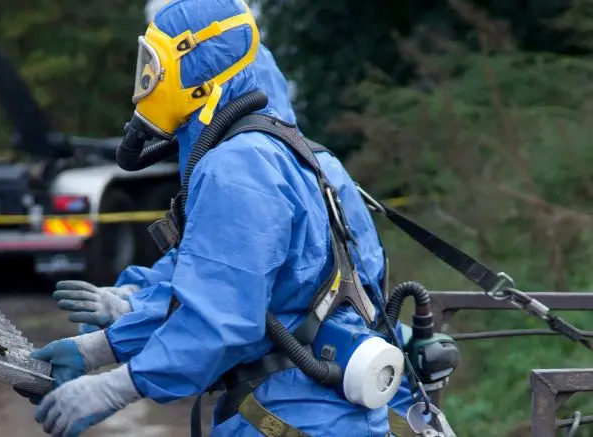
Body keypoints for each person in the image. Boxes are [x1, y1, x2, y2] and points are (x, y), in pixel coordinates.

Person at [23, 0, 417, 435]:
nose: (146, 85)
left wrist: (117, 385)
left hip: (285, 414)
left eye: (154, 67)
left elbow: (220, 320)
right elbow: (241, 291)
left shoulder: (237, 168)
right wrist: (104, 344)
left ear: (194, 69)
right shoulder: (298, 158)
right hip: (323, 412)